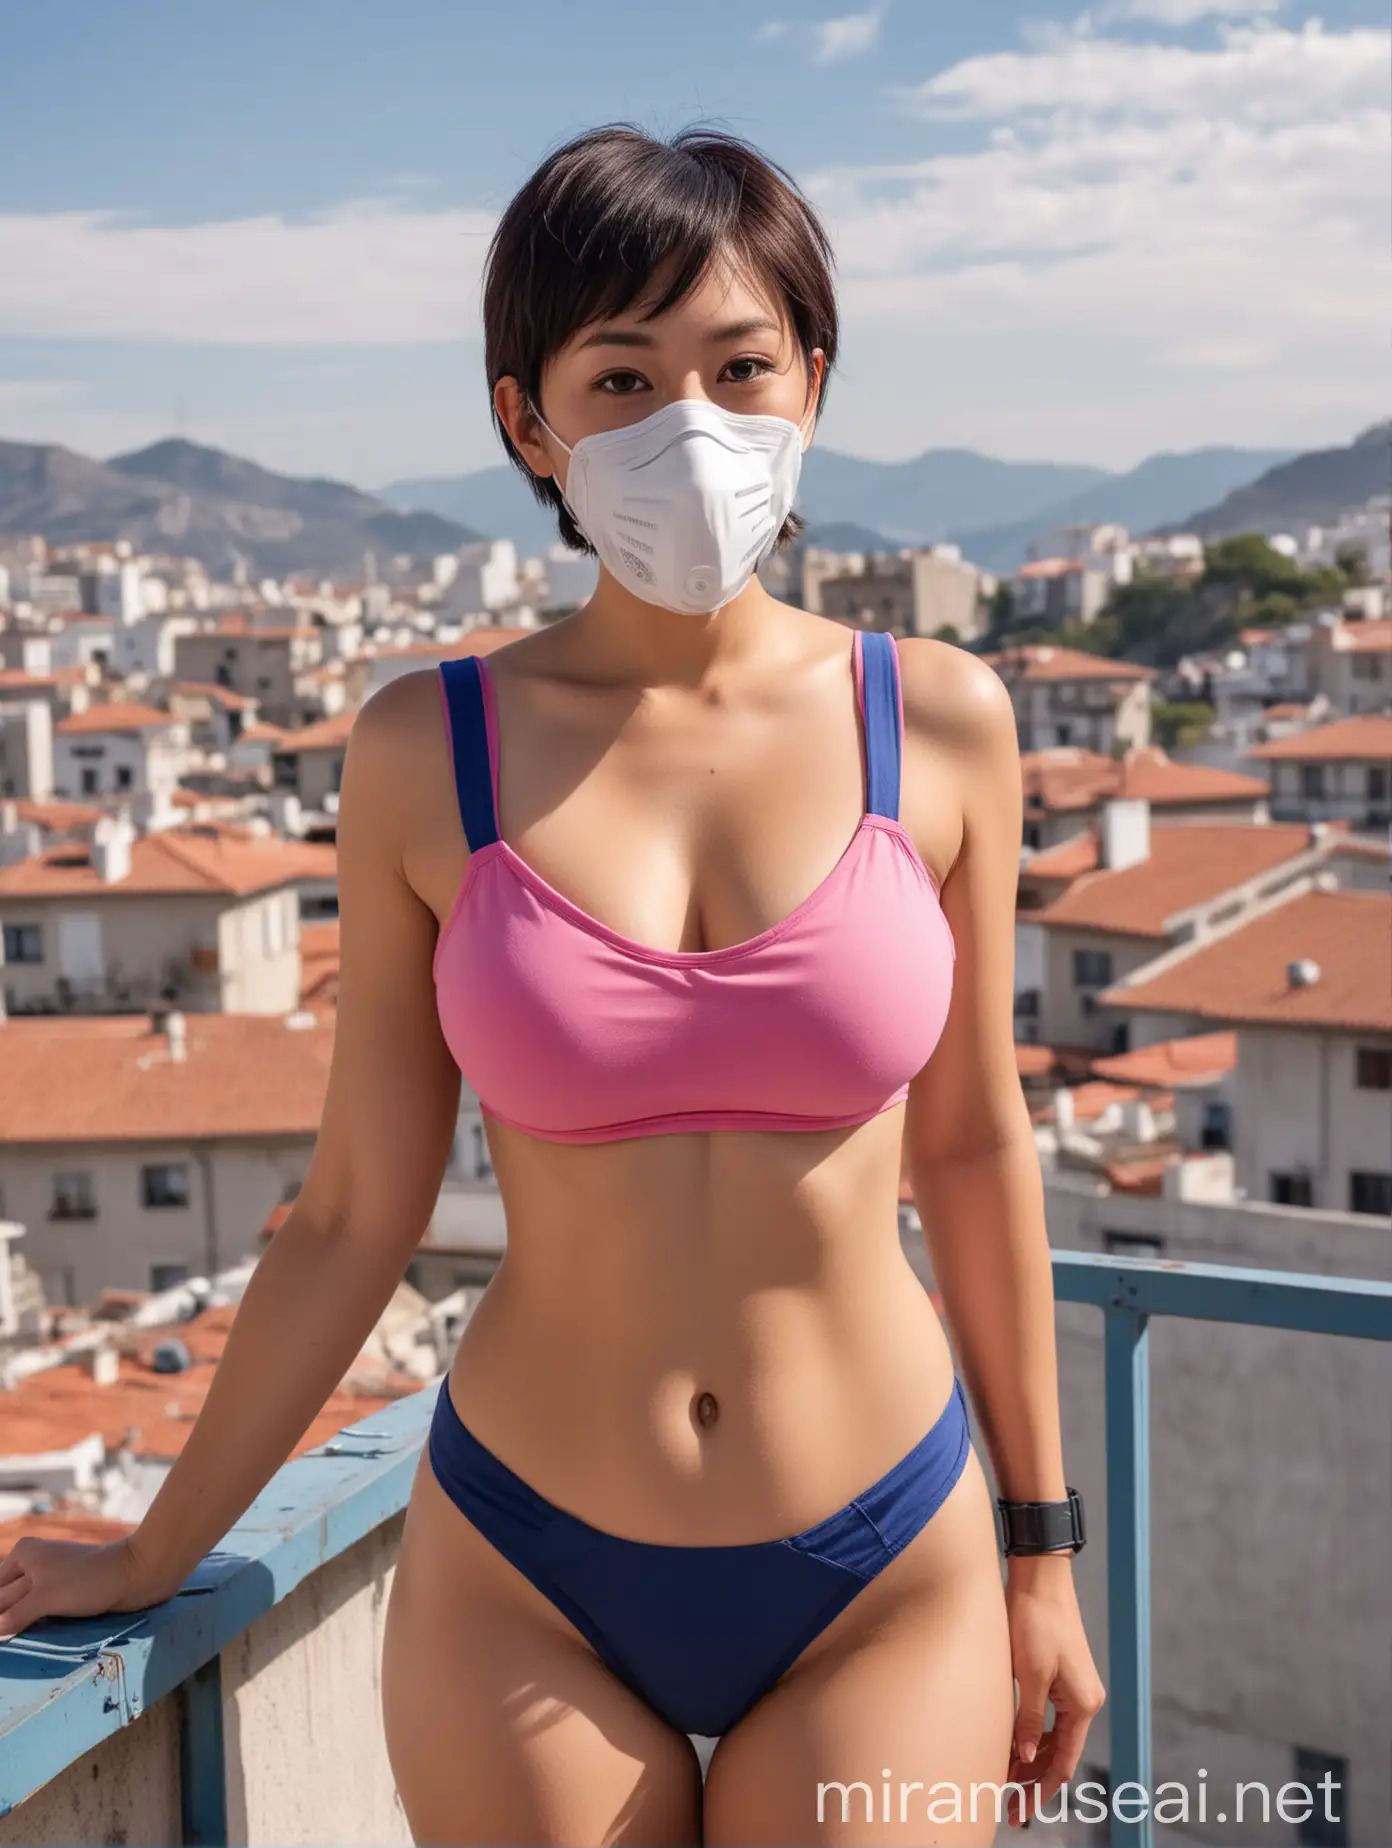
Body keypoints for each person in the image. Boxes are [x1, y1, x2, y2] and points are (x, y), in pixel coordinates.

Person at [0, 125, 1103, 1845]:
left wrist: (1044, 1553)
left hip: (886, 1558)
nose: (695, 424)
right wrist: (158, 1546)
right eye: (624, 375)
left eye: (741, 366)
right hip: (530, 1569)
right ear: (530, 419)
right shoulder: (422, 753)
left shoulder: (944, 719)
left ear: (814, 376)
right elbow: (354, 1212)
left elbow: (973, 1149)